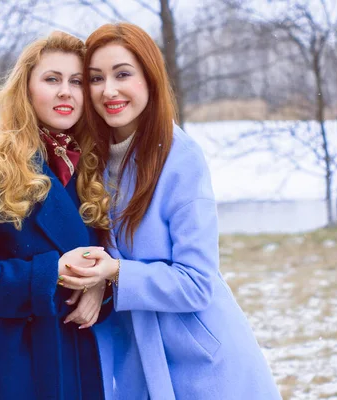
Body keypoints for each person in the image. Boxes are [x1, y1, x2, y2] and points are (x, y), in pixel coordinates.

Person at [58, 23, 282, 399]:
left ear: (150, 77)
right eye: (95, 78)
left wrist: (113, 273)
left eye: (122, 74)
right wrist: (99, 281)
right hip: (131, 358)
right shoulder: (86, 157)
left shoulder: (181, 159)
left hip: (197, 363)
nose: (108, 90)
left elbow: (197, 284)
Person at [0, 31, 113, 400]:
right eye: (52, 79)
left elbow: (108, 255)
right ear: (26, 90)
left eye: (77, 81)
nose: (66, 92)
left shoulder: (93, 169)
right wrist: (52, 272)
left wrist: (99, 285)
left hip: (71, 352)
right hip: (6, 356)